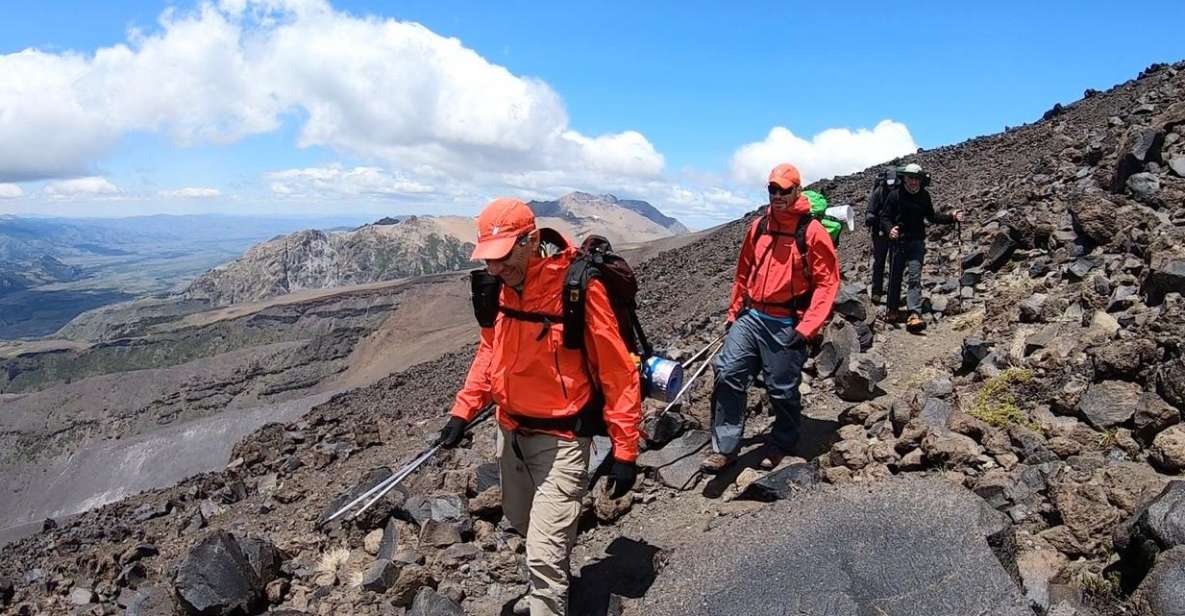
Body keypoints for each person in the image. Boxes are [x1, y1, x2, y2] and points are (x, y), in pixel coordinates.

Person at [436, 197, 642, 616]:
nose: (494, 268)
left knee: (544, 555)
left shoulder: (578, 289)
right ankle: (550, 579)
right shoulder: (500, 289)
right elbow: (490, 352)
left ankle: (549, 595)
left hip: (561, 441)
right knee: (522, 522)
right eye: (488, 259)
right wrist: (463, 411)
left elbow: (618, 373)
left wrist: (625, 450)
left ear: (530, 241)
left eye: (503, 257)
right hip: (509, 433)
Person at [701, 163, 840, 473]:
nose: (777, 195)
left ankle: (782, 441)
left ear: (796, 191)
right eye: (772, 189)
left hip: (787, 321)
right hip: (751, 315)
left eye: (784, 190)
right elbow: (743, 271)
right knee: (728, 373)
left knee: (780, 388)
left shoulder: (812, 232)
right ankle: (725, 448)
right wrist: (734, 311)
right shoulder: (759, 226)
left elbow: (827, 283)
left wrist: (806, 328)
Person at [880, 163, 963, 332]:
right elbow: (885, 217)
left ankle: (914, 313)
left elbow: (932, 217)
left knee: (914, 278)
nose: (913, 182)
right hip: (899, 243)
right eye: (910, 178)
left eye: (916, 179)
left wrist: (951, 217)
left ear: (920, 180)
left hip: (917, 242)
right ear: (904, 179)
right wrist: (890, 229)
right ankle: (892, 309)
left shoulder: (924, 196)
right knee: (895, 277)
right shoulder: (895, 196)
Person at [865, 168, 897, 304]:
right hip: (880, 232)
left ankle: (892, 293)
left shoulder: (898, 192)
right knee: (880, 263)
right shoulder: (879, 192)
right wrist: (871, 218)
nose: (891, 185)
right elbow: (870, 211)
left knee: (895, 263)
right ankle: (876, 292)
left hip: (894, 232)